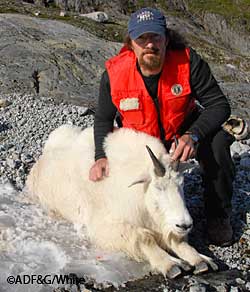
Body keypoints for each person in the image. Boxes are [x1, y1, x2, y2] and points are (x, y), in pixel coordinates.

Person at [89, 7, 235, 246]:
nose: (149, 45)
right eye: (142, 39)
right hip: (141, 143)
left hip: (181, 134)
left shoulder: (189, 63)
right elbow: (104, 118)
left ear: (166, 39)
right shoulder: (114, 73)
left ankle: (218, 214)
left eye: (155, 37)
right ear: (131, 44)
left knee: (218, 142)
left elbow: (219, 105)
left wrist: (193, 135)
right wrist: (100, 156)